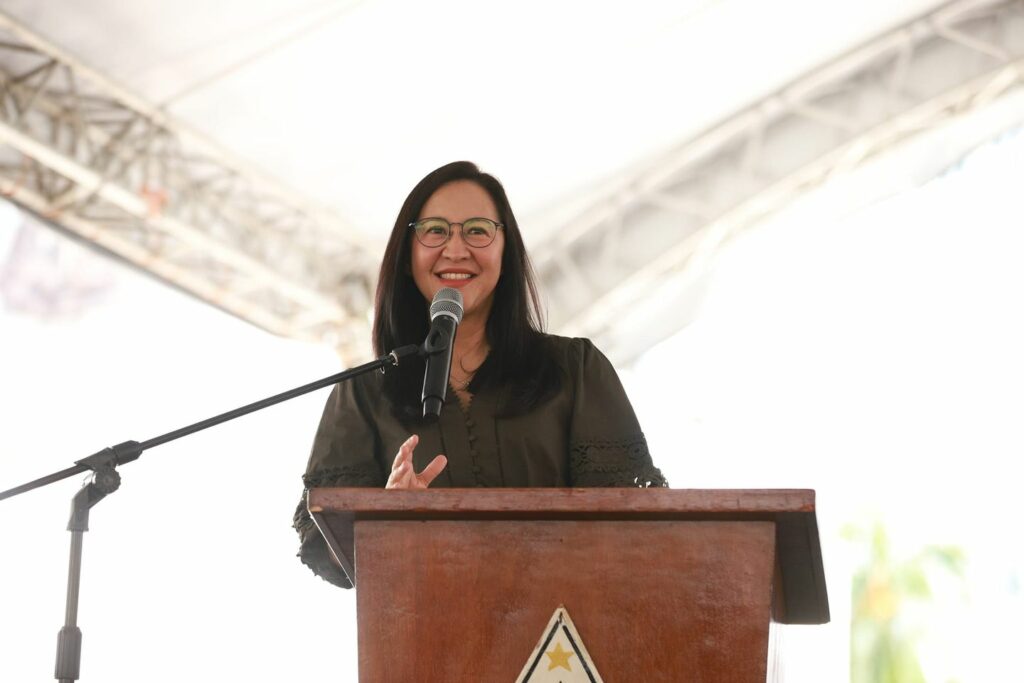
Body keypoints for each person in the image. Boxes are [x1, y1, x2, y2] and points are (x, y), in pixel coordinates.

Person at [294, 161, 666, 587]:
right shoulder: (361, 392)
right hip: (424, 626)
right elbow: (325, 545)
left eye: (477, 230)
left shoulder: (575, 369)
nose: (455, 249)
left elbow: (634, 521)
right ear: (407, 255)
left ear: (506, 252)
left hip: (566, 624)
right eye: (435, 230)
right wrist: (383, 516)